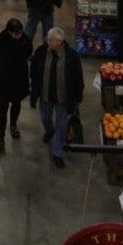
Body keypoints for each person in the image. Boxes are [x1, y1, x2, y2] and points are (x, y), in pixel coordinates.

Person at [30, 26, 84, 169]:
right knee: (45, 117)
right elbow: (34, 69)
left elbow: (78, 77)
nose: (48, 41)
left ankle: (58, 153)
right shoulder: (42, 52)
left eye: (51, 40)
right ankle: (49, 130)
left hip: (63, 98)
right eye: (48, 38)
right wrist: (34, 87)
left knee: (61, 125)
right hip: (45, 95)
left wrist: (78, 97)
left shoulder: (72, 56)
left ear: (60, 42)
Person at [0, 18, 32, 153]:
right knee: (3, 107)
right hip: (5, 77)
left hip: (19, 77)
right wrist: (12, 56)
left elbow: (29, 52)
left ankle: (13, 125)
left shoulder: (25, 39)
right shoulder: (0, 39)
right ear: (9, 32)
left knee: (16, 103)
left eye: (20, 33)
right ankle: (0, 138)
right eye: (16, 34)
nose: (18, 36)